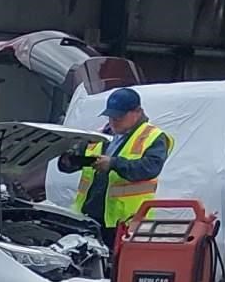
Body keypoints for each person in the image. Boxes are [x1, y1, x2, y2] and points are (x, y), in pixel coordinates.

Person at [71, 86, 174, 236]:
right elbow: (77, 157)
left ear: (137, 112)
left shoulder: (153, 137)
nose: (113, 122)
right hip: (89, 215)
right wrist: (69, 161)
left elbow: (149, 168)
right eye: (110, 117)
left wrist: (114, 163)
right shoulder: (100, 134)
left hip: (125, 222)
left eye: (119, 117)